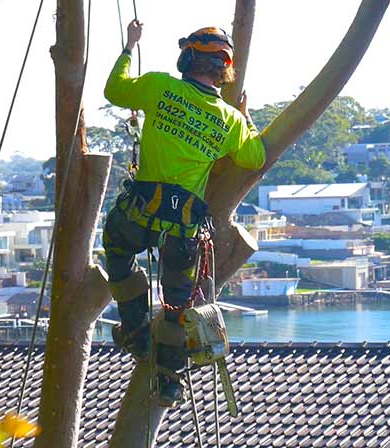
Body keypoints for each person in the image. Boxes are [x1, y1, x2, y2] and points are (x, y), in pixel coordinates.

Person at [102, 20, 265, 407]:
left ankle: (136, 330)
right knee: (177, 303)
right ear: (223, 70)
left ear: (187, 57)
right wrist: (245, 116)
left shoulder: (160, 87)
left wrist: (129, 47)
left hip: (141, 211)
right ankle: (170, 379)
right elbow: (254, 156)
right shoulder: (229, 120)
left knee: (116, 245)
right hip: (184, 226)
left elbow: (115, 90)